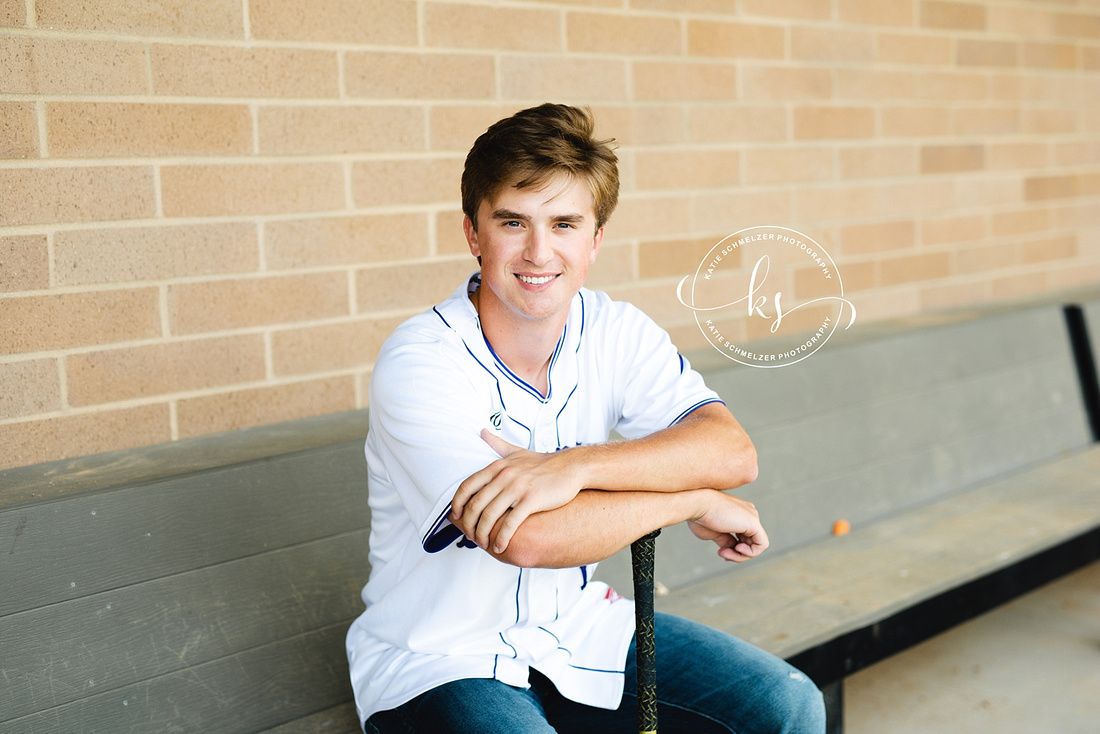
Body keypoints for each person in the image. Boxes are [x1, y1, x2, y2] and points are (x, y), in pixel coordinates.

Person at [346, 103, 826, 734]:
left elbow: (731, 452)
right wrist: (689, 500)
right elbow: (527, 539)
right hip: (438, 661)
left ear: (595, 239)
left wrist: (572, 469)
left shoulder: (615, 329)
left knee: (787, 704)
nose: (539, 251)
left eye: (565, 223)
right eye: (513, 222)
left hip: (577, 631)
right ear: (473, 233)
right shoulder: (421, 360)